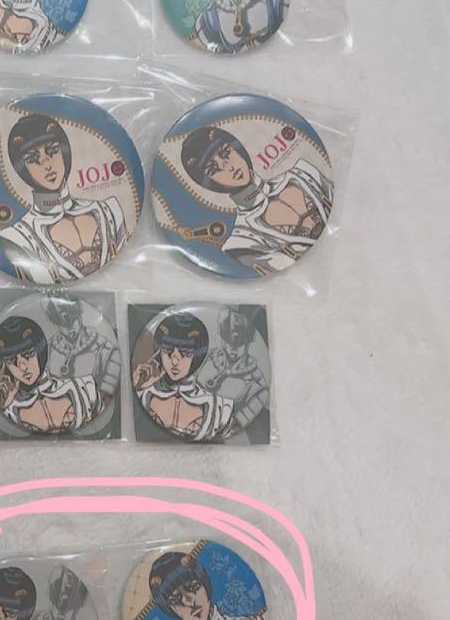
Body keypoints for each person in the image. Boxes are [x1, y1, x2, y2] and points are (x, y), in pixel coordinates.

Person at [180, 125, 333, 276]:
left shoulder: (304, 172)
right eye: (214, 169)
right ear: (210, 183)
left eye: (226, 153)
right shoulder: (240, 242)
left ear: (238, 148)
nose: (229, 167)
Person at [0, 114, 127, 284]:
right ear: (22, 169)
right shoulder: (16, 237)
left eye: (52, 151)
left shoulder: (111, 210)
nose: (47, 164)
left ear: (65, 152)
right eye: (32, 159)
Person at [0, 316, 106, 434]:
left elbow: (104, 431)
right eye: (11, 360)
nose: (23, 367)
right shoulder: (7, 407)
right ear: (4, 366)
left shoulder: (84, 388)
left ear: (40, 351)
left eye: (29, 353)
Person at [133, 312, 235, 442]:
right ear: (158, 351)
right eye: (167, 350)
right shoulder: (144, 393)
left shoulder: (221, 408)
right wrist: (137, 386)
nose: (175, 361)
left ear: (198, 355)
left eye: (186, 353)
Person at [198, 307, 270, 432]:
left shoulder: (258, 385)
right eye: (228, 342)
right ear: (222, 339)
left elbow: (236, 426)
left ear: (248, 344)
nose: (233, 349)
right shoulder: (206, 357)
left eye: (240, 344)